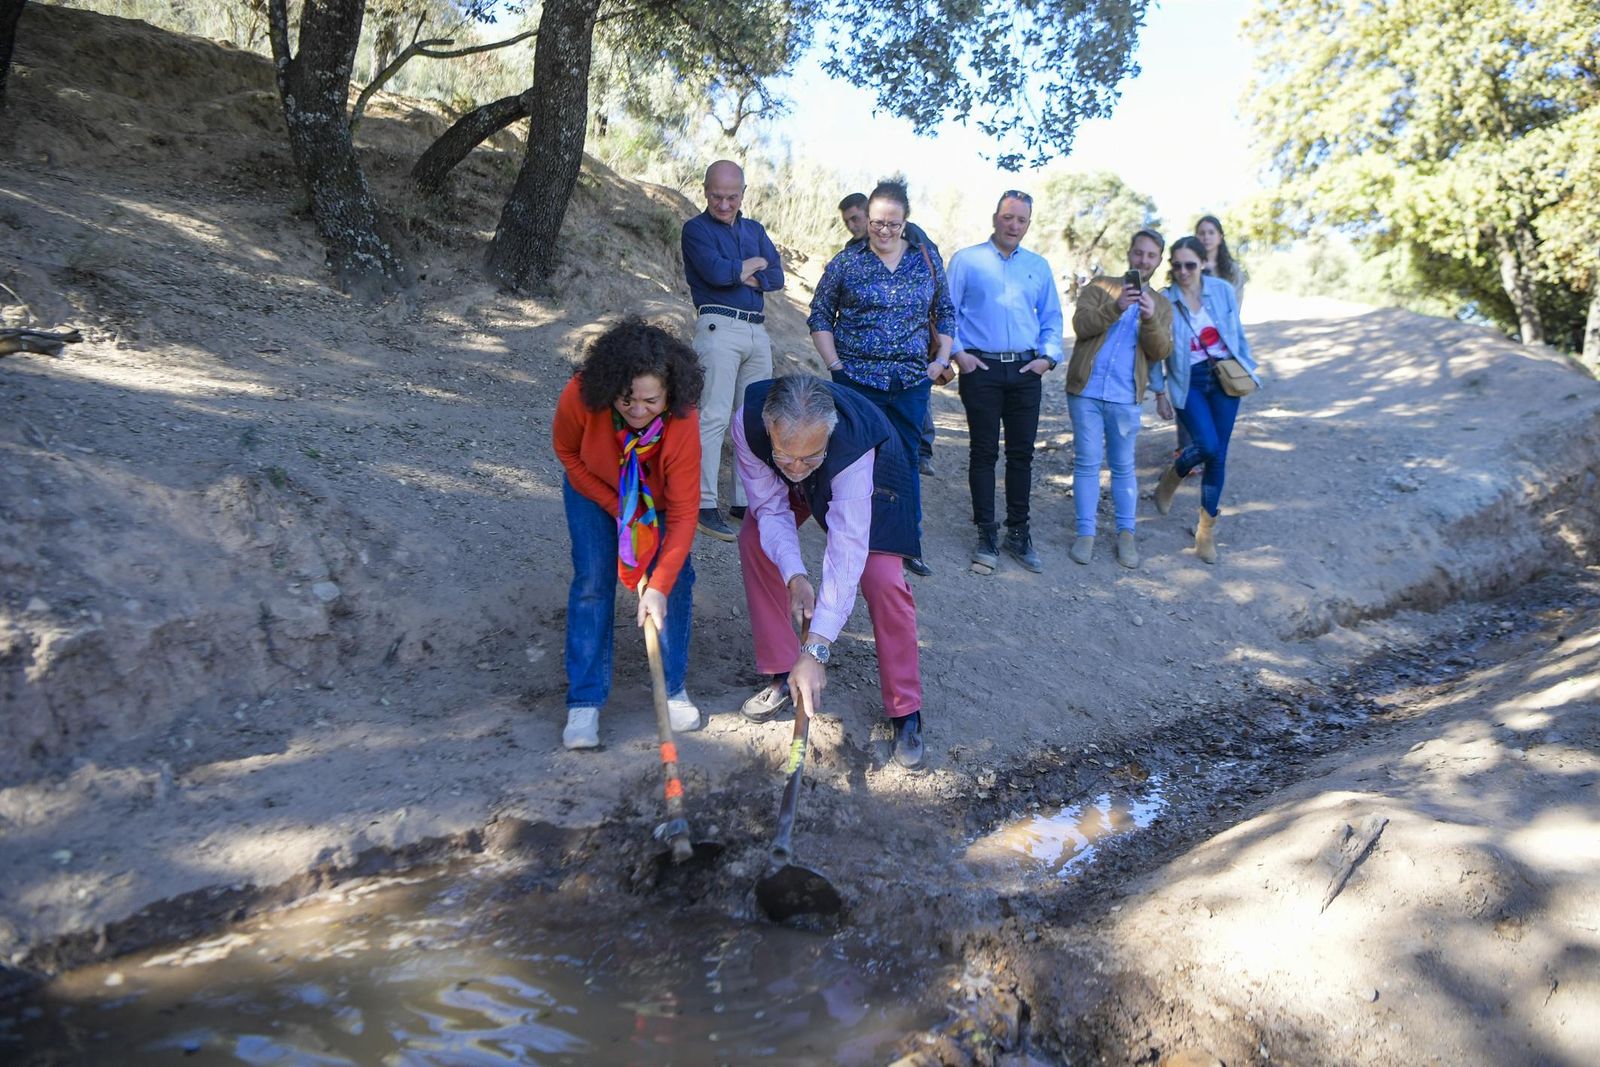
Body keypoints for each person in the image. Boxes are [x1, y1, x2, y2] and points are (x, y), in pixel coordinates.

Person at [731, 374, 929, 769]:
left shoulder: (852, 445)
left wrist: (817, 648)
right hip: (807, 459)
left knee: (882, 579)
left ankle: (905, 708)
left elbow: (846, 549)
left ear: (828, 434)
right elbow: (771, 509)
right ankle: (784, 669)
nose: (799, 469)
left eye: (810, 457)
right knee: (755, 538)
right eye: (788, 456)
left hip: (872, 474)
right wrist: (795, 576)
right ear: (770, 428)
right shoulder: (748, 423)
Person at [552, 318, 706, 750]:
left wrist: (656, 585)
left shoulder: (682, 420)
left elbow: (682, 512)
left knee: (672, 584)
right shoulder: (583, 395)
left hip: (656, 501)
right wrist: (617, 507)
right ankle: (584, 700)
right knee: (592, 581)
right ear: (610, 387)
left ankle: (672, 689)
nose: (638, 410)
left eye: (650, 401)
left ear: (669, 394)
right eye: (627, 399)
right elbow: (566, 451)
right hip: (594, 489)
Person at [810, 180, 954, 578]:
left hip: (910, 382)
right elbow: (820, 314)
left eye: (892, 224)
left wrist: (940, 358)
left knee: (905, 460)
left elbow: (945, 310)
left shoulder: (925, 258)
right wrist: (835, 366)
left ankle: (907, 542)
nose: (884, 231)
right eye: (876, 223)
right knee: (852, 458)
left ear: (905, 221)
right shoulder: (847, 262)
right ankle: (847, 538)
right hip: (856, 379)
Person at [948, 189, 1065, 573]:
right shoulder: (967, 261)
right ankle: (986, 535)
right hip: (980, 369)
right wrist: (959, 354)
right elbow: (946, 312)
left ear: (1028, 224)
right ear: (995, 217)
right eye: (1008, 217)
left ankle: (1019, 532)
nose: (1013, 225)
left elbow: (1051, 317)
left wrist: (1047, 358)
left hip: (1025, 371)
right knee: (983, 452)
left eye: (1021, 220)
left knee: (1022, 455)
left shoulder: (1038, 266)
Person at [681, 159, 784, 543]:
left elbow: (776, 277)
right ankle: (703, 503)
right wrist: (746, 267)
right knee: (714, 415)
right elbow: (715, 273)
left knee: (754, 419)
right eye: (716, 196)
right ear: (705, 191)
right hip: (717, 325)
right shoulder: (695, 229)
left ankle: (747, 501)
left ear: (743, 193)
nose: (724, 204)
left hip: (758, 332)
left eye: (731, 197)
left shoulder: (754, 229)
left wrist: (745, 268)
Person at [1063, 228, 1175, 569]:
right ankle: (1086, 534)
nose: (1144, 260)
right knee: (1086, 462)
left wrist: (1150, 316)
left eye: (1151, 255)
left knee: (1123, 465)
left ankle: (1126, 534)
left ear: (1158, 261)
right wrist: (1116, 306)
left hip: (1126, 396)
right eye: (1139, 253)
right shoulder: (1099, 287)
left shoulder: (1163, 304)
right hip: (1086, 391)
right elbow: (1082, 326)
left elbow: (1160, 351)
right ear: (1129, 253)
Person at [1151, 235, 1260, 564]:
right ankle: (1176, 471)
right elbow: (1155, 351)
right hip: (1190, 382)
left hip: (1225, 376)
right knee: (1208, 446)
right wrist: (1159, 391)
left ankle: (1205, 533)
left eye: (1190, 265)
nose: (1183, 271)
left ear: (1201, 264)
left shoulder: (1222, 291)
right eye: (1177, 265)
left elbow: (1236, 333)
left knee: (1218, 457)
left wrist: (1248, 365)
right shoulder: (1164, 301)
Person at [840, 191, 940, 479]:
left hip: (911, 336)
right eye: (847, 221)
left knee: (917, 392)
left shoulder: (912, 236)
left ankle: (922, 451)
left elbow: (933, 274)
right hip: (865, 357)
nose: (852, 225)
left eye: (856, 218)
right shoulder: (852, 252)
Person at [1195, 214, 1246, 304]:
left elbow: (1236, 301)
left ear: (1220, 237)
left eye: (1211, 233)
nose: (1206, 237)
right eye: (1202, 233)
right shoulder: (1188, 267)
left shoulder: (1232, 269)